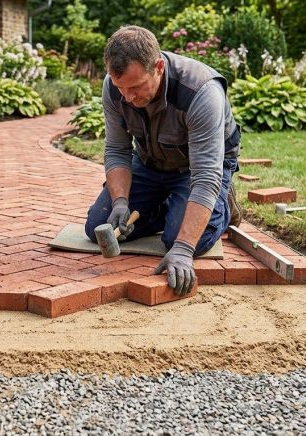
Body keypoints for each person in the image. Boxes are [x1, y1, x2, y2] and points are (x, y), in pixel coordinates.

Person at [84, 25, 241, 296]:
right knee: (97, 224)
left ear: (158, 67)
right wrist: (120, 201)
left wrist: (184, 248)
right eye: (121, 88)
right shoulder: (115, 87)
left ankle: (222, 204)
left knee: (180, 239)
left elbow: (206, 176)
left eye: (135, 87)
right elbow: (118, 150)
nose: (127, 98)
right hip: (150, 162)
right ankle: (171, 206)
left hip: (196, 170)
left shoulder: (200, 91)